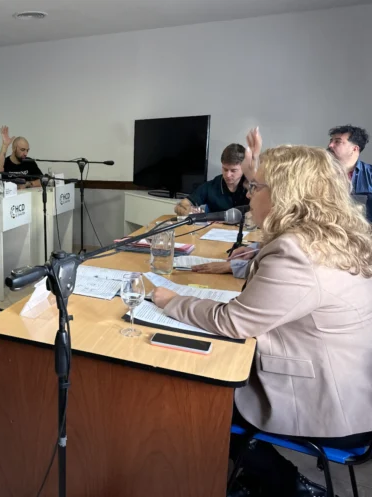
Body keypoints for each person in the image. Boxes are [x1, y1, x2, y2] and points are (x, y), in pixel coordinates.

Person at [153, 145, 372, 497]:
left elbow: (233, 321)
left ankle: (285, 484)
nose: (248, 195)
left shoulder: (296, 252)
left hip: (328, 401)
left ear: (285, 193)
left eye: (256, 186)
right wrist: (250, 258)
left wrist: (173, 301)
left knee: (194, 398)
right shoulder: (331, 235)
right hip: (353, 386)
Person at [174, 144, 249, 215]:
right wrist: (187, 210)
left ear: (244, 168)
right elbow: (181, 205)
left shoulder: (251, 187)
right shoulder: (211, 186)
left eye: (233, 170)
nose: (228, 175)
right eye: (225, 169)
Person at [328, 125, 371, 192]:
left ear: (354, 149)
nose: (330, 145)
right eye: (331, 141)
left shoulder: (370, 174)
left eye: (337, 141)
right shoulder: (319, 172)